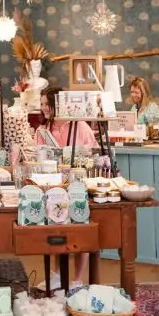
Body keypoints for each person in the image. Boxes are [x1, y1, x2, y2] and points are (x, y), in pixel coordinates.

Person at [35, 88, 97, 290]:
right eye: (42, 103)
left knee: (81, 230)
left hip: (79, 187)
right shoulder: (43, 130)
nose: (43, 107)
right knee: (55, 229)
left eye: (47, 104)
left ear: (58, 104)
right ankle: (55, 276)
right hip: (53, 187)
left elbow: (94, 154)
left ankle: (78, 280)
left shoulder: (80, 126)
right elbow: (37, 158)